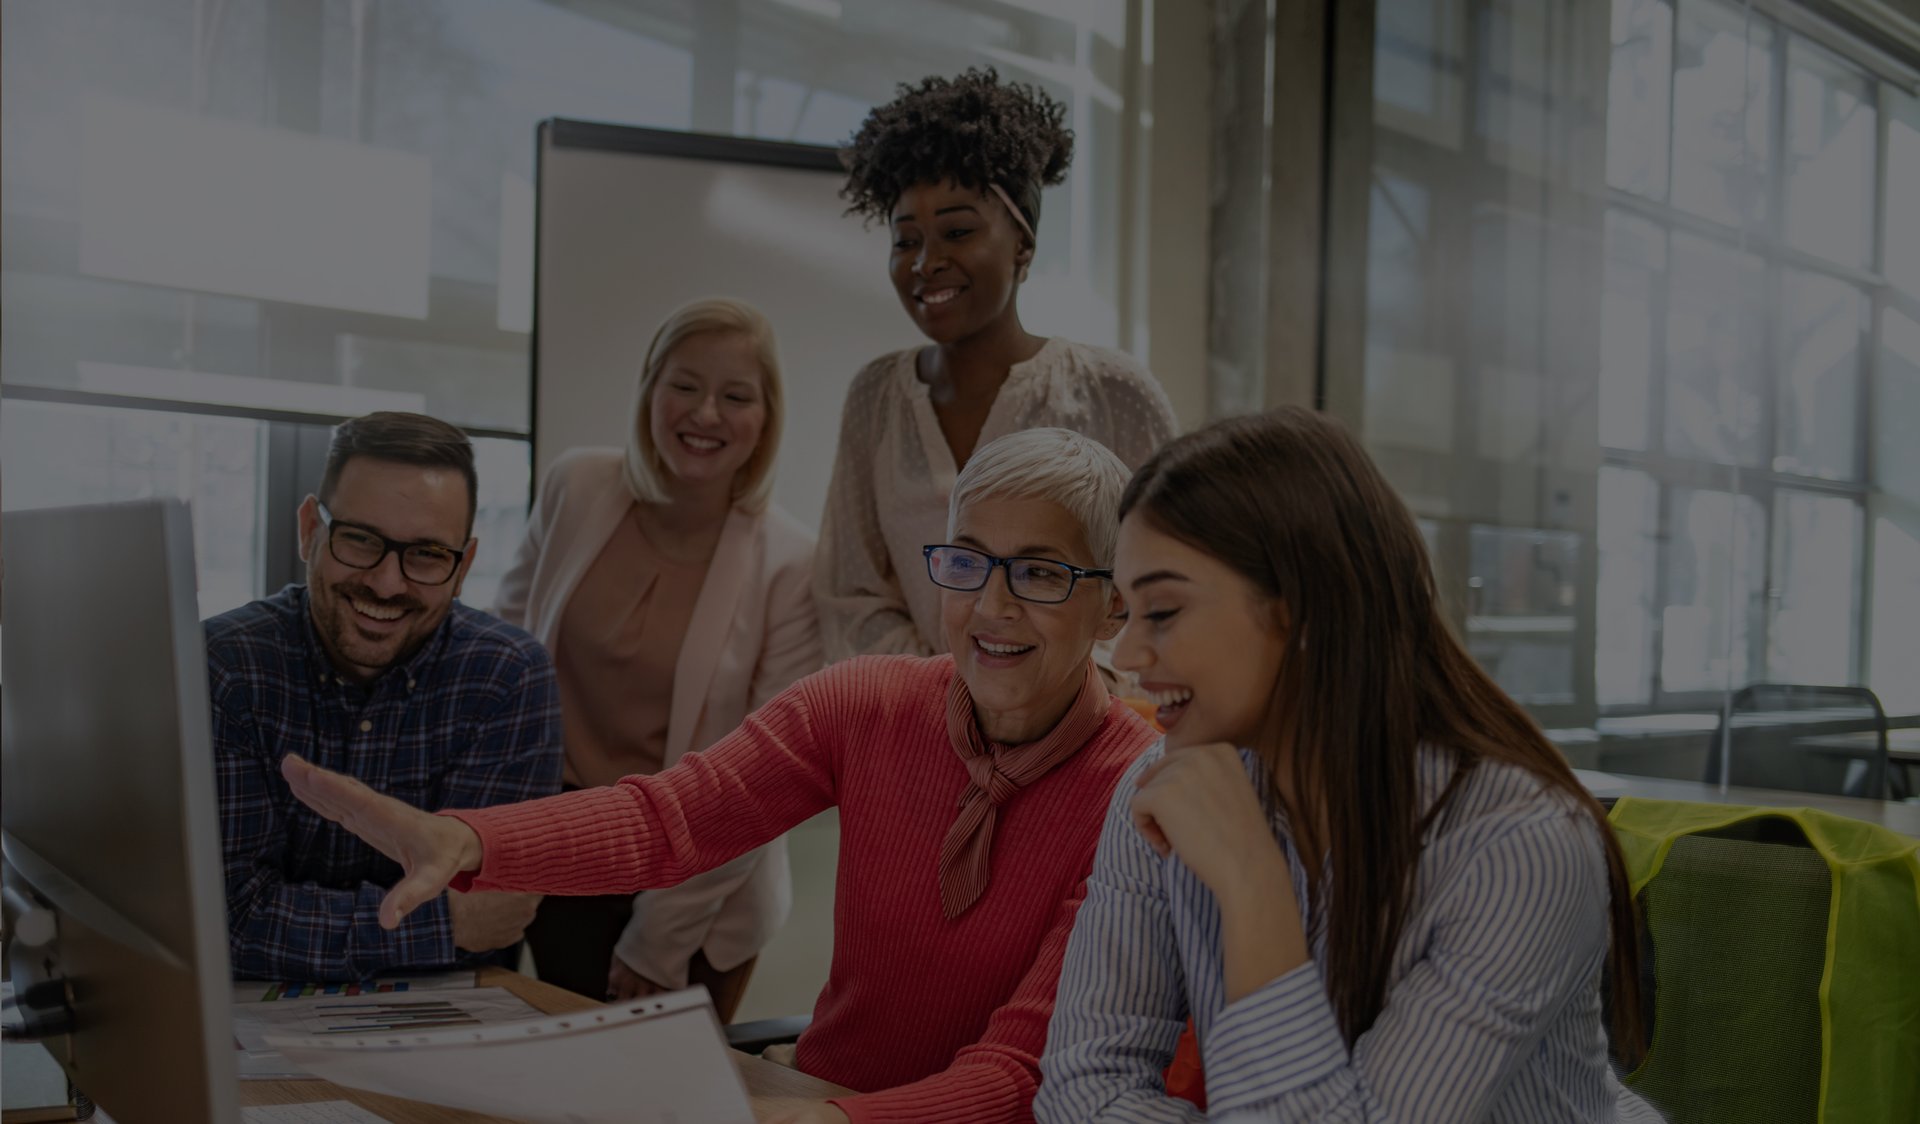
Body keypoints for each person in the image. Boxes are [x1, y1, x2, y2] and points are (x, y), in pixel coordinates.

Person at [280, 429, 1159, 1124]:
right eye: (967, 561)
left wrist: (839, 1122)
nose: (993, 605)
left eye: (1040, 573)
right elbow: (668, 821)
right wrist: (471, 839)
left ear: (1115, 600)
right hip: (819, 1100)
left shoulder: (1136, 793)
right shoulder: (869, 702)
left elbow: (1017, 1074)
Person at [1036, 408, 1664, 1123]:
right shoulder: (1164, 791)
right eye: (1129, 612)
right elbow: (1084, 1087)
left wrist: (1252, 885)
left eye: (1165, 611)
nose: (1127, 657)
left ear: (1302, 612)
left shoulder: (1520, 846)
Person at [493, 297, 819, 1018]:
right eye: (684, 385)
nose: (705, 413)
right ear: (649, 387)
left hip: (700, 883)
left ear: (766, 419)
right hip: (564, 846)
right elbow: (500, 659)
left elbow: (762, 778)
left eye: (736, 396)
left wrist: (660, 939)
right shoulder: (576, 485)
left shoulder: (792, 563)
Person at [817, 67, 1178, 662]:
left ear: (1023, 246)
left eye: (957, 231)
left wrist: (1048, 701)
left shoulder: (1113, 392)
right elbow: (851, 592)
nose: (926, 262)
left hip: (1086, 733)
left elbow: (1163, 581)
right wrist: (955, 694)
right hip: (920, 727)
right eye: (905, 240)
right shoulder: (876, 396)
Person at [208, 411, 562, 982]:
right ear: (309, 530)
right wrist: (442, 924)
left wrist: (302, 922)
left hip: (439, 1029)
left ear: (463, 565)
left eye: (425, 554)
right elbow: (226, 920)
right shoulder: (225, 668)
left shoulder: (508, 677)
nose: (386, 583)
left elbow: (495, 920)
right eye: (360, 540)